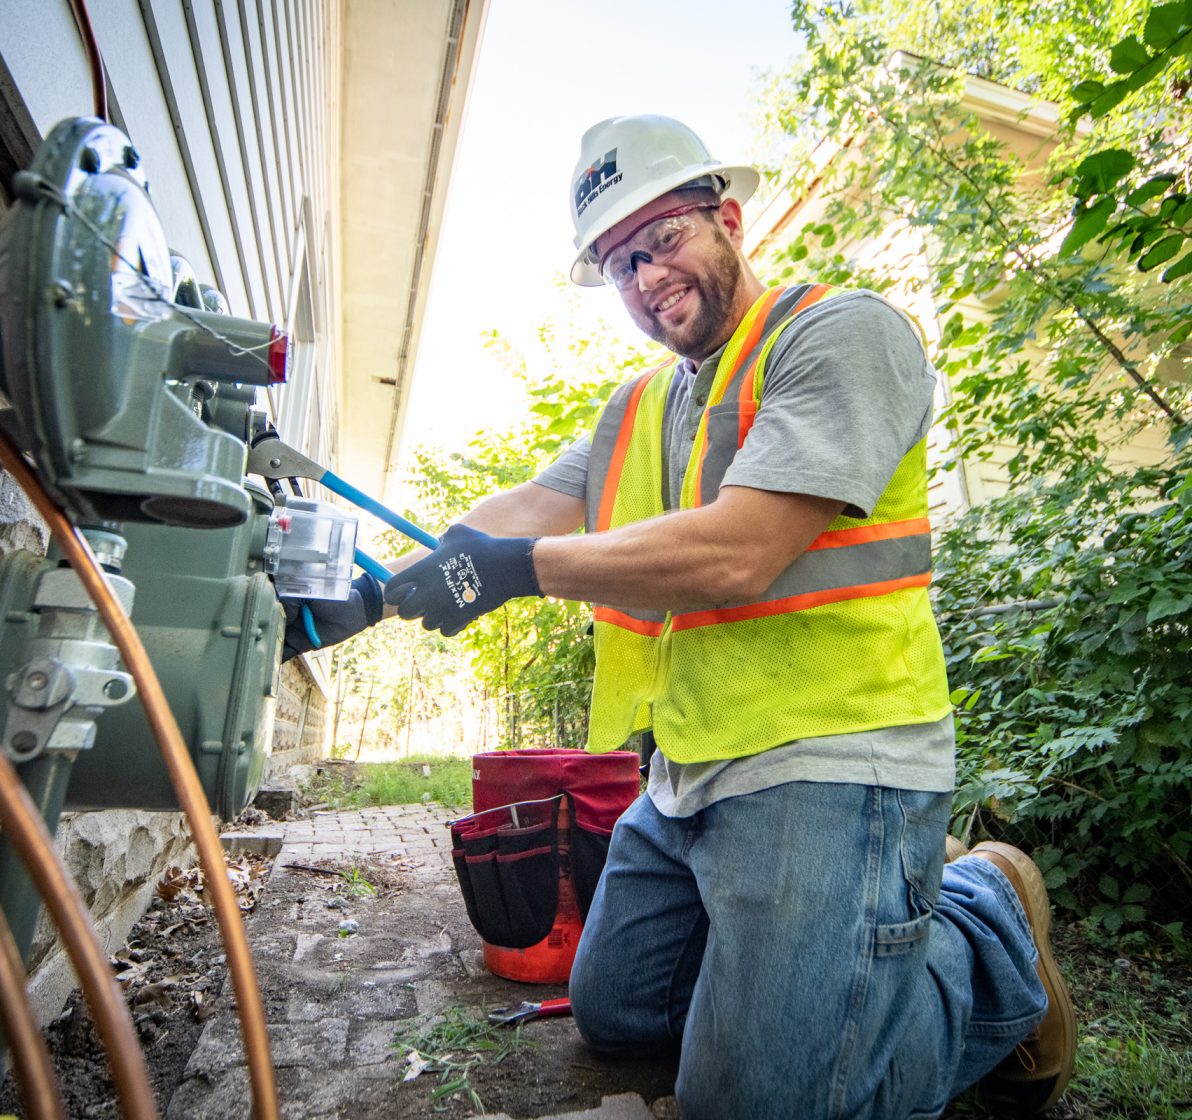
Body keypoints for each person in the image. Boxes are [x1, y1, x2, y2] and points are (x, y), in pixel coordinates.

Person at [288, 115, 1074, 1119]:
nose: (644, 276)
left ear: (727, 219)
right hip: (691, 776)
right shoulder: (638, 407)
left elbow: (741, 549)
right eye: (619, 263)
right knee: (613, 1014)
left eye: (661, 239)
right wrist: (370, 591)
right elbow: (524, 509)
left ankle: (984, 922)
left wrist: (519, 573)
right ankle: (805, 967)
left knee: (756, 1102)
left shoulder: (837, 334)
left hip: (836, 759)